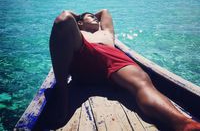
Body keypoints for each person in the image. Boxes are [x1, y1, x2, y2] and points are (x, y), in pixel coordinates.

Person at [50, 9, 200, 131]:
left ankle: (183, 123)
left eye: (95, 17)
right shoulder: (78, 34)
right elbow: (66, 17)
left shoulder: (106, 32)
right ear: (80, 23)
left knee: (142, 83)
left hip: (113, 58)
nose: (95, 18)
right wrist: (79, 18)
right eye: (90, 17)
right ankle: (63, 93)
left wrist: (86, 17)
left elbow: (104, 12)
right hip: (85, 53)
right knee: (63, 19)